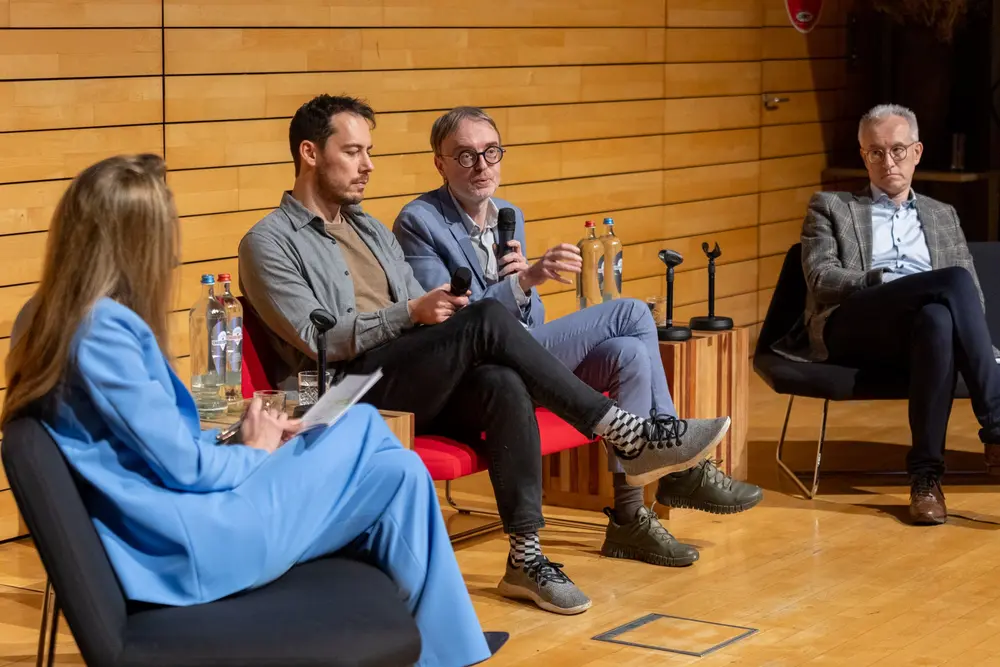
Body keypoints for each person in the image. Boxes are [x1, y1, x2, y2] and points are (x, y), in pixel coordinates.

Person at [0, 154, 507, 667]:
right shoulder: (100, 331)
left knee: (396, 468)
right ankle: (447, 645)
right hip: (194, 543)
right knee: (358, 424)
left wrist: (242, 439)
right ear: (136, 243)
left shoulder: (44, 316)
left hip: (184, 521)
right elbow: (183, 468)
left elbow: (145, 447)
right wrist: (255, 452)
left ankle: (449, 647)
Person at [238, 95, 732, 615]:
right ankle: (624, 430)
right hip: (343, 390)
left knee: (502, 380)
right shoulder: (267, 241)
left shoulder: (370, 229)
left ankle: (526, 556)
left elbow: (421, 314)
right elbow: (320, 339)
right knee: (490, 319)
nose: (368, 165)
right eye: (354, 151)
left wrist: (446, 311)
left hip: (407, 371)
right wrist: (413, 313)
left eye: (369, 151)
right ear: (310, 153)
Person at [392, 106, 763, 568]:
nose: (482, 166)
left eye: (490, 152)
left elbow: (530, 316)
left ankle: (629, 519)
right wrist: (520, 283)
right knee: (630, 311)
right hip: (478, 375)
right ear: (440, 163)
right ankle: (673, 458)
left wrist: (524, 291)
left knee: (628, 353)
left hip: (525, 354)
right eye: (465, 156)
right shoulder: (420, 221)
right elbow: (450, 320)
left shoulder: (510, 214)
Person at [772, 103, 1000, 526]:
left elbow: (975, 299)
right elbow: (822, 279)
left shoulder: (941, 215)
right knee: (948, 283)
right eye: (875, 152)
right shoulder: (831, 207)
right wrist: (883, 281)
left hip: (920, 336)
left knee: (938, 317)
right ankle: (998, 424)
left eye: (897, 150)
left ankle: (926, 481)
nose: (887, 161)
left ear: (917, 152)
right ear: (863, 156)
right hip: (855, 323)